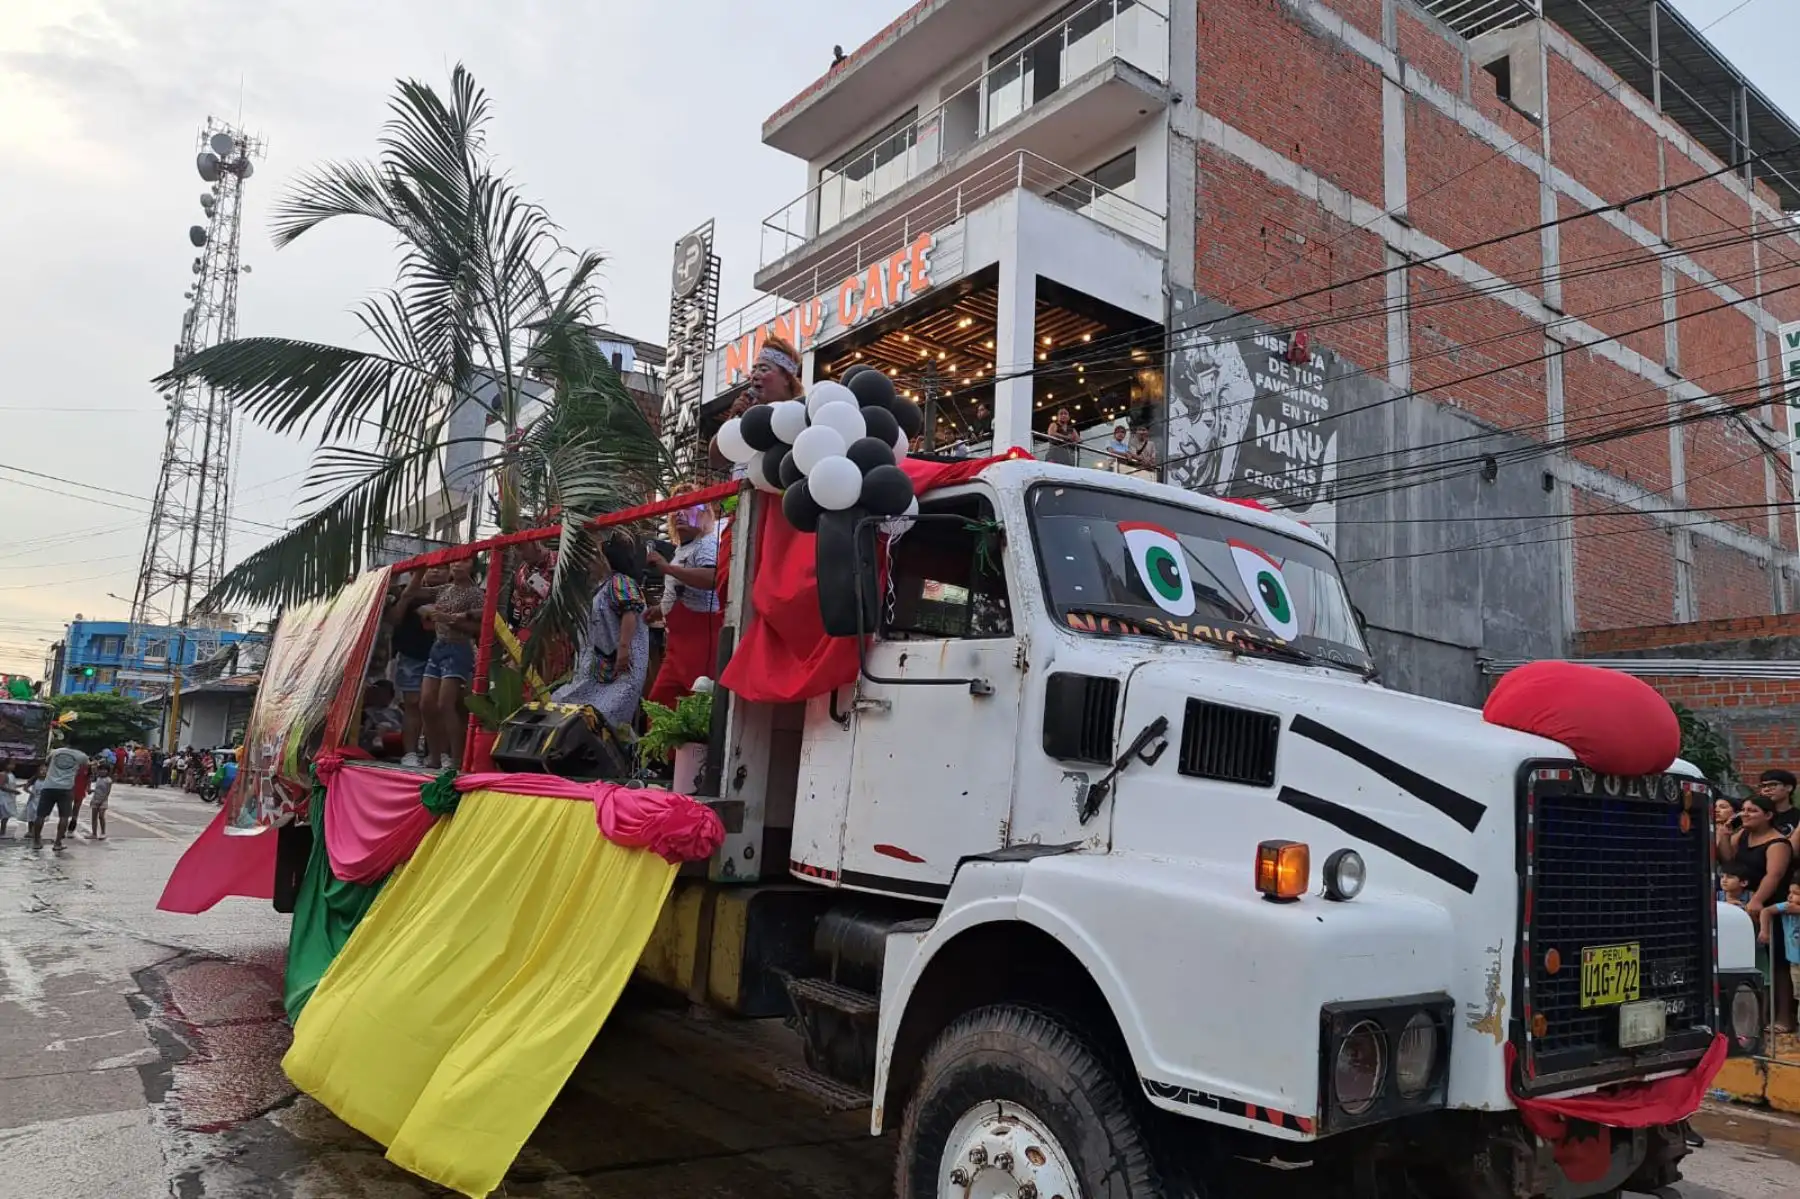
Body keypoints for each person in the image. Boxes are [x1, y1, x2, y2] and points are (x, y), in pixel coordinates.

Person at [553, 531, 649, 731]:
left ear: (604, 560)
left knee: (594, 720)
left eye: (592, 559)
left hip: (618, 672)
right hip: (597, 671)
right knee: (564, 707)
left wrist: (623, 647)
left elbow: (630, 609)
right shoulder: (600, 587)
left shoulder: (620, 582)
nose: (588, 564)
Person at [645, 498, 723, 709]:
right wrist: (659, 609)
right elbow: (678, 590)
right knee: (661, 702)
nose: (679, 513)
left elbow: (713, 578)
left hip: (700, 640)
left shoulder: (706, 543)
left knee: (697, 703)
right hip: (677, 643)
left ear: (703, 513)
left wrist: (667, 568)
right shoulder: (681, 550)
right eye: (675, 509)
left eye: (687, 507)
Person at [421, 556, 485, 771]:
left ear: (472, 566)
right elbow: (414, 595)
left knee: (445, 704)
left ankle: (456, 759)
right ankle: (435, 755)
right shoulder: (444, 589)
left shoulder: (476, 593)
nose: (457, 565)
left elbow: (480, 627)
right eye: (454, 561)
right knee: (426, 704)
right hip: (438, 646)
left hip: (459, 648)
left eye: (464, 561)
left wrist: (450, 619)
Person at [710, 337, 804, 472]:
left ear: (786, 379)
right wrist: (733, 418)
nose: (755, 375)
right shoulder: (747, 418)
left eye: (764, 370)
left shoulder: (799, 416)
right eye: (754, 370)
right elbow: (716, 461)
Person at [388, 566, 445, 767]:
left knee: (438, 706)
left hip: (442, 657)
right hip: (412, 655)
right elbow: (394, 618)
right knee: (412, 703)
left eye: (443, 568)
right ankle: (410, 753)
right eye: (431, 568)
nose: (437, 571)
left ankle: (438, 753)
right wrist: (409, 592)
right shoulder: (406, 592)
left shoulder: (454, 594)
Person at [29, 743, 87, 850]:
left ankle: (36, 842)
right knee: (64, 817)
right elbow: (85, 767)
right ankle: (57, 843)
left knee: (40, 815)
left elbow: (47, 762)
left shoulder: (55, 752)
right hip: (66, 788)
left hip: (48, 786)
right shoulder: (81, 756)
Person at [359, 678, 405, 758]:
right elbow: (367, 722)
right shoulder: (369, 710)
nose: (381, 697)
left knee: (385, 725)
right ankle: (377, 742)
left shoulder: (396, 710)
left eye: (385, 694)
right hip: (376, 730)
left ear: (391, 697)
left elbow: (403, 723)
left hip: (395, 729)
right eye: (378, 694)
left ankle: (378, 740)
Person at [88, 765, 113, 841]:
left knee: (101, 816)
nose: (103, 771)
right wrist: (91, 791)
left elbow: (107, 792)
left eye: (105, 770)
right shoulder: (98, 779)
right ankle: (94, 833)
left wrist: (102, 800)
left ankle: (103, 832)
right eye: (101, 770)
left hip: (103, 801)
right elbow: (97, 789)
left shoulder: (108, 780)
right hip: (95, 799)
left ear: (108, 771)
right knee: (94, 817)